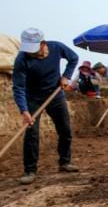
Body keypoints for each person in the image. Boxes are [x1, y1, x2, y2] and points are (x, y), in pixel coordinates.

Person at [12, 28, 80, 184]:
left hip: (55, 96)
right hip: (33, 99)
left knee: (65, 129)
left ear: (43, 44)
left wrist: (66, 76)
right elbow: (18, 87)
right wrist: (24, 110)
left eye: (33, 48)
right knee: (31, 134)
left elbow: (73, 58)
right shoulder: (22, 59)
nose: (30, 53)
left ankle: (64, 162)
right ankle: (30, 170)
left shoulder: (56, 47)